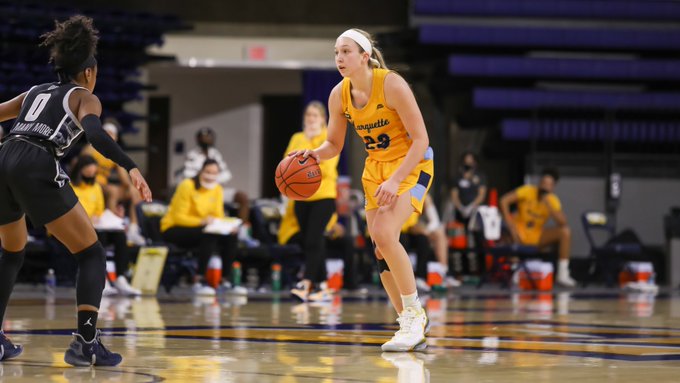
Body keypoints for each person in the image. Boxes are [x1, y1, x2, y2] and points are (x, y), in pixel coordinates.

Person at [0, 16, 151, 366]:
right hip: (36, 160)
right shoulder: (84, 97)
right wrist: (130, 165)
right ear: (89, 72)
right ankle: (86, 342)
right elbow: (96, 136)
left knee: (12, 252)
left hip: (5, 157)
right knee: (91, 254)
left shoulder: (34, 92)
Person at [292, 29, 433, 352]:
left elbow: (421, 140)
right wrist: (314, 154)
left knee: (385, 233)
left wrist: (396, 180)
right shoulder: (337, 95)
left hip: (412, 167)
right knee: (380, 249)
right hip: (376, 172)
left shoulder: (392, 84)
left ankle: (415, 313)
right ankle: (407, 324)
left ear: (364, 56)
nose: (339, 58)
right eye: (336, 53)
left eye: (346, 52)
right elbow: (333, 145)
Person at [283, 101, 340, 302]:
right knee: (311, 242)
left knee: (313, 240)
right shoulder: (297, 138)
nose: (311, 119)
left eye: (315, 115)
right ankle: (323, 285)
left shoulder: (329, 137)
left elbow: (324, 168)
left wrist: (302, 165)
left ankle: (306, 283)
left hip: (324, 197)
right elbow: (286, 165)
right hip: (301, 197)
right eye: (308, 115)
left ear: (323, 119)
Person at [161, 159, 243, 296]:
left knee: (231, 236)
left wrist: (228, 227)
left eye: (215, 173)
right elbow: (178, 217)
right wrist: (202, 222)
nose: (211, 176)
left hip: (204, 228)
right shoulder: (187, 185)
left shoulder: (217, 189)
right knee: (208, 234)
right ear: (201, 171)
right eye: (208, 172)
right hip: (174, 228)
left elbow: (218, 216)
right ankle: (198, 280)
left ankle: (225, 281)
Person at [70, 155, 141, 296]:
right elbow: (71, 211)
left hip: (95, 226)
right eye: (88, 171)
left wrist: (109, 216)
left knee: (120, 236)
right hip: (76, 227)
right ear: (80, 171)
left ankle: (121, 277)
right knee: (100, 236)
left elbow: (99, 210)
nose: (91, 175)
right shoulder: (71, 187)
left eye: (93, 172)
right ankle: (101, 279)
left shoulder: (96, 187)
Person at [500, 167, 576, 287]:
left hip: (536, 236)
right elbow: (504, 200)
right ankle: (516, 271)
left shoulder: (552, 200)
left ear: (553, 187)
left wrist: (549, 206)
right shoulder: (527, 191)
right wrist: (508, 221)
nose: (544, 187)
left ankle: (563, 274)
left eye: (548, 184)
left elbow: (563, 222)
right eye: (543, 183)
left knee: (565, 232)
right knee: (510, 230)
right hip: (518, 233)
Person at [82, 118, 146, 245]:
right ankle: (112, 226)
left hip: (103, 185)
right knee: (113, 191)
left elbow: (124, 178)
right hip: (90, 184)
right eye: (108, 134)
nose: (110, 137)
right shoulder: (90, 149)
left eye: (112, 134)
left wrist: (131, 187)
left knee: (135, 191)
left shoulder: (113, 151)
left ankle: (133, 228)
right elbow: (81, 169)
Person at [183, 127, 251, 225]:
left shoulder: (215, 154)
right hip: (199, 191)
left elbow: (227, 174)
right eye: (204, 137)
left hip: (217, 189)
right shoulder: (192, 155)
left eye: (209, 137)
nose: (207, 139)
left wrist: (212, 178)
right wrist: (205, 179)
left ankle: (241, 230)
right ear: (198, 139)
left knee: (243, 197)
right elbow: (188, 174)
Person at [403, 194, 460, 291]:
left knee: (436, 233)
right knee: (407, 239)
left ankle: (442, 271)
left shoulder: (422, 193)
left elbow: (435, 221)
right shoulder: (399, 190)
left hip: (414, 229)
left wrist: (425, 231)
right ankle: (403, 280)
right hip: (399, 229)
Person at [451, 151, 487, 274]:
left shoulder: (479, 177)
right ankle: (462, 270)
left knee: (476, 239)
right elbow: (454, 194)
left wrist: (472, 206)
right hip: (461, 213)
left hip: (475, 212)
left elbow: (482, 194)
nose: (468, 165)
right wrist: (461, 207)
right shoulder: (458, 177)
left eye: (471, 162)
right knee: (460, 240)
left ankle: (479, 269)